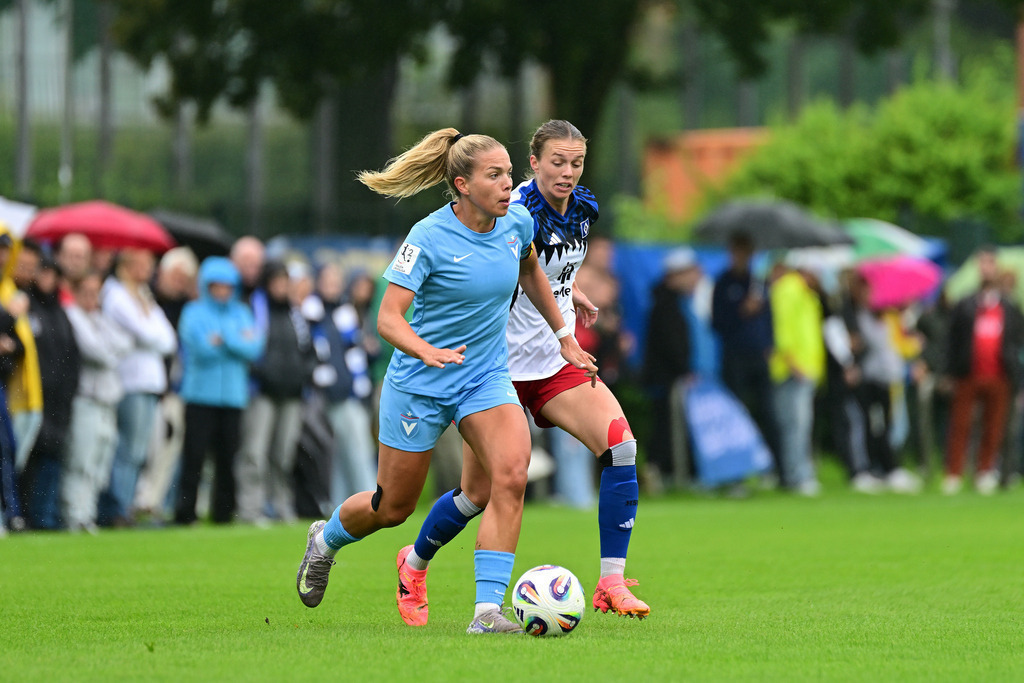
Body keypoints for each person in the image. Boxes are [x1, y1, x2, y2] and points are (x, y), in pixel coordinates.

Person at [294, 127, 596, 634]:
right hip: (419, 383)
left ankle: (486, 613)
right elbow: (388, 319)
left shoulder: (517, 222)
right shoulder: (428, 237)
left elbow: (531, 273)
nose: (508, 185)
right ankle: (325, 540)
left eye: (508, 173)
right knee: (391, 507)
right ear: (461, 183)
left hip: (483, 377)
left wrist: (563, 334)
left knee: (511, 473)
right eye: (494, 175)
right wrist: (424, 349)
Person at [391, 120, 649, 629]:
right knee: (477, 495)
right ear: (533, 163)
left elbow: (549, 273)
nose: (568, 172)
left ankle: (612, 581)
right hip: (495, 369)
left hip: (555, 363)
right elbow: (499, 274)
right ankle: (414, 563)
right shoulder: (510, 208)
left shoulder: (582, 209)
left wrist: (573, 297)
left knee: (621, 445)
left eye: (576, 163)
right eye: (557, 161)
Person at [174, 257, 264, 525]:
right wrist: (236, 339)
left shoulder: (241, 312)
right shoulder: (193, 311)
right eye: (217, 286)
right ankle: (185, 514)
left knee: (228, 460)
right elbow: (200, 349)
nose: (223, 291)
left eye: (227, 286)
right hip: (199, 396)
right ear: (207, 286)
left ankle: (224, 514)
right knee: (194, 457)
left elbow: (254, 349)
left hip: (234, 398)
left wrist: (222, 338)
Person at [98, 248, 178, 527]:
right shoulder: (115, 293)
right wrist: (150, 332)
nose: (148, 268)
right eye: (143, 262)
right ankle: (117, 508)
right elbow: (147, 334)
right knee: (127, 448)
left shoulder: (143, 295)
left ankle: (127, 505)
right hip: (129, 379)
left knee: (140, 450)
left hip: (150, 381)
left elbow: (167, 339)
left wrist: (149, 333)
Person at [235, 260, 317, 525]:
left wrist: (303, 375)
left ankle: (281, 506)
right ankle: (251, 508)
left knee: (284, 455)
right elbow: (248, 349)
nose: (282, 286)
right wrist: (263, 374)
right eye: (278, 281)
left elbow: (309, 353)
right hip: (262, 393)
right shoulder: (253, 309)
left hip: (292, 394)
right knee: (255, 453)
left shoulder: (296, 314)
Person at [942, 246, 1024, 495]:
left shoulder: (1010, 308)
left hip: (999, 374)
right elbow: (952, 339)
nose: (987, 268)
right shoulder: (965, 305)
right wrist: (948, 371)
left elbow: (1015, 343)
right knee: (961, 425)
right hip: (968, 373)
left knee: (994, 426)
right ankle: (954, 473)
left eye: (991, 263)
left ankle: (984, 471)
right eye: (983, 263)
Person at [62, 271, 133, 533]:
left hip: (106, 400)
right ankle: (73, 514)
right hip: (86, 399)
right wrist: (112, 351)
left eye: (96, 294)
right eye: (87, 293)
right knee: (81, 459)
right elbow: (98, 352)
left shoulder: (98, 319)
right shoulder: (72, 315)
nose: (93, 299)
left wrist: (110, 348)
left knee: (100, 463)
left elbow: (126, 342)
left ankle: (87, 514)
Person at [711, 231, 782, 485]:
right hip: (735, 357)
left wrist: (769, 345)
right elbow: (717, 323)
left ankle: (776, 471)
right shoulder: (723, 283)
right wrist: (742, 311)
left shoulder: (759, 283)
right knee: (737, 414)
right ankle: (736, 476)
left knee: (769, 412)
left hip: (758, 357)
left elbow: (769, 319)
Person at [20, 254, 81, 529]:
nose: (47, 279)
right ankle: (22, 513)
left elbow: (72, 356)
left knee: (52, 455)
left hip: (59, 399)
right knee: (28, 455)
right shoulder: (26, 307)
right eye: (43, 273)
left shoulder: (60, 313)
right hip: (31, 395)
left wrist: (69, 390)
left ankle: (44, 515)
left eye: (52, 274)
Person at [768, 260, 825, 495]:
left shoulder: (803, 292)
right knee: (796, 424)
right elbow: (784, 327)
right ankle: (796, 475)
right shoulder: (789, 289)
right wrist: (793, 361)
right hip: (794, 368)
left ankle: (798, 472)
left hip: (805, 367)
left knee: (799, 424)